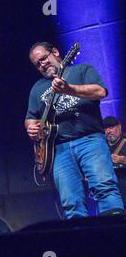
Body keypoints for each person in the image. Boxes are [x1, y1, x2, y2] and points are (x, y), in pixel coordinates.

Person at [25, 42, 124, 219]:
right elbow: (30, 118)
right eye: (37, 64)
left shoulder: (81, 70)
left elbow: (100, 92)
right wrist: (31, 128)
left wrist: (70, 89)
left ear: (55, 52)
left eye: (43, 59)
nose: (42, 65)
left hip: (89, 140)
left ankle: (116, 236)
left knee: (104, 188)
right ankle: (81, 243)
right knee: (71, 203)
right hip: (58, 149)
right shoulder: (37, 88)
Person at [103, 116, 126, 202]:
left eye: (111, 127)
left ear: (119, 127)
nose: (108, 131)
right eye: (105, 129)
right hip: (109, 195)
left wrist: (123, 160)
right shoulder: (101, 147)